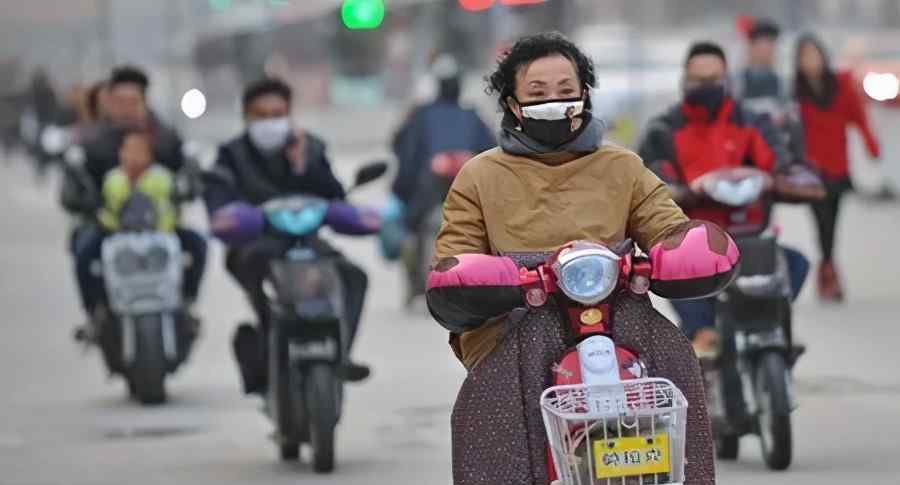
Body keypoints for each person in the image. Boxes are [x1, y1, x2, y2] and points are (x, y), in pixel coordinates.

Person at [425, 32, 740, 484]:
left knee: (674, 358)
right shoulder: (480, 175)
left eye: (565, 90)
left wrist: (684, 249)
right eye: (537, 93)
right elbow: (455, 256)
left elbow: (666, 226)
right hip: (519, 314)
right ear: (513, 104)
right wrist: (493, 279)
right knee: (509, 382)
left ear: (585, 95)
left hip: (616, 309)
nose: (553, 101)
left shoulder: (622, 166)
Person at [638, 41, 810, 357]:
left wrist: (782, 180)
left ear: (727, 80)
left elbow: (782, 164)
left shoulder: (753, 122)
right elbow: (650, 180)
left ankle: (766, 328)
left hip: (749, 237)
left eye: (714, 79)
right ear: (684, 80)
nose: (707, 87)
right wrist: (686, 190)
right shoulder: (663, 130)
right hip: (695, 242)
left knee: (795, 263)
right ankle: (701, 334)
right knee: (670, 268)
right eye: (698, 80)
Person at [203, 78, 372, 393]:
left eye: (277, 113)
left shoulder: (311, 148)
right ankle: (268, 347)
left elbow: (335, 195)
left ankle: (340, 353)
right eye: (262, 115)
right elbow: (217, 199)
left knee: (353, 277)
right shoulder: (231, 155)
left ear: (289, 114)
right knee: (264, 286)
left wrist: (302, 165)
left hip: (308, 243)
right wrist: (230, 218)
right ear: (247, 118)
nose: (271, 121)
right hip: (255, 246)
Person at [386, 54, 496, 302]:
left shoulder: (428, 115)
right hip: (430, 194)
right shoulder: (465, 115)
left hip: (453, 193)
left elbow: (493, 154)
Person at [73, 131, 203, 323]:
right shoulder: (112, 180)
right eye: (129, 150)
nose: (133, 156)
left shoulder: (162, 179)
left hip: (161, 235)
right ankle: (94, 308)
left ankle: (187, 299)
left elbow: (178, 200)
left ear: (149, 155)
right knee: (83, 254)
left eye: (139, 151)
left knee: (200, 246)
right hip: (115, 236)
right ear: (120, 154)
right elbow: (103, 209)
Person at [794, 34, 881, 301]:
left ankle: (828, 266)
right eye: (805, 56)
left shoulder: (841, 84)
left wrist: (871, 144)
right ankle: (828, 270)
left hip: (838, 166)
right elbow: (789, 131)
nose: (811, 61)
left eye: (814, 54)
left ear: (823, 55)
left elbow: (858, 116)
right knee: (820, 221)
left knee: (833, 220)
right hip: (810, 171)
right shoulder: (796, 92)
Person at [738, 18, 782, 100]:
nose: (771, 51)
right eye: (764, 46)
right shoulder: (737, 83)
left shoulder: (781, 83)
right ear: (751, 47)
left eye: (772, 45)